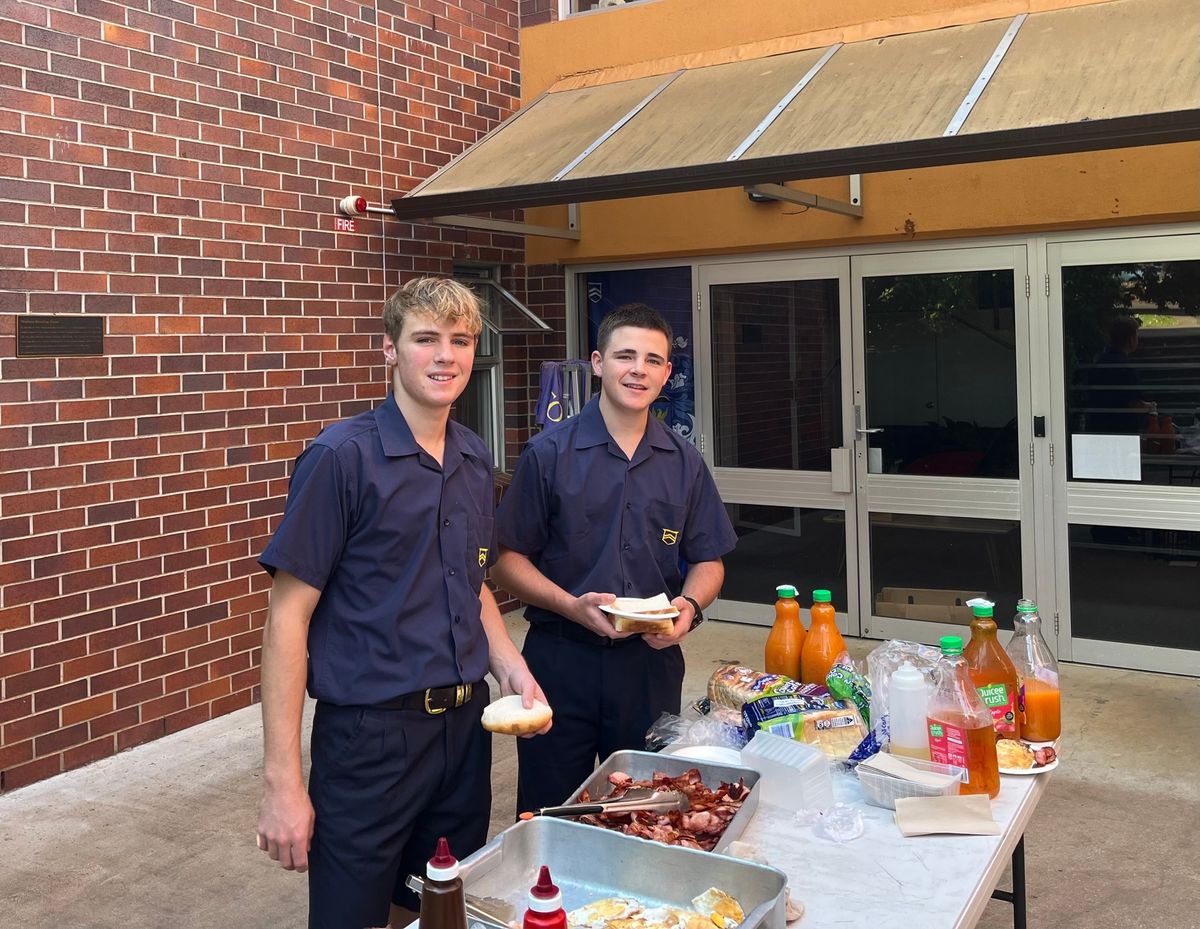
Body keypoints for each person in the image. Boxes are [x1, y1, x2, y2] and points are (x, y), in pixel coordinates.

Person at [254, 277, 548, 929]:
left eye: (461, 341)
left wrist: (511, 666)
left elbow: (470, 582)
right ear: (390, 349)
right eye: (426, 339)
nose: (445, 356)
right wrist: (282, 780)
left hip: (464, 734)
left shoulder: (473, 457)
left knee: (433, 910)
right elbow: (287, 620)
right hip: (370, 739)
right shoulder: (340, 458)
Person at [492, 302, 737, 814]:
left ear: (666, 374)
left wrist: (690, 607)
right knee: (552, 811)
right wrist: (570, 605)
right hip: (560, 661)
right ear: (598, 363)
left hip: (650, 665)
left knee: (644, 810)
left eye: (653, 360)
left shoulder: (684, 462)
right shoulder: (548, 454)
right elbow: (506, 560)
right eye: (626, 356)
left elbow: (709, 560)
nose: (638, 370)